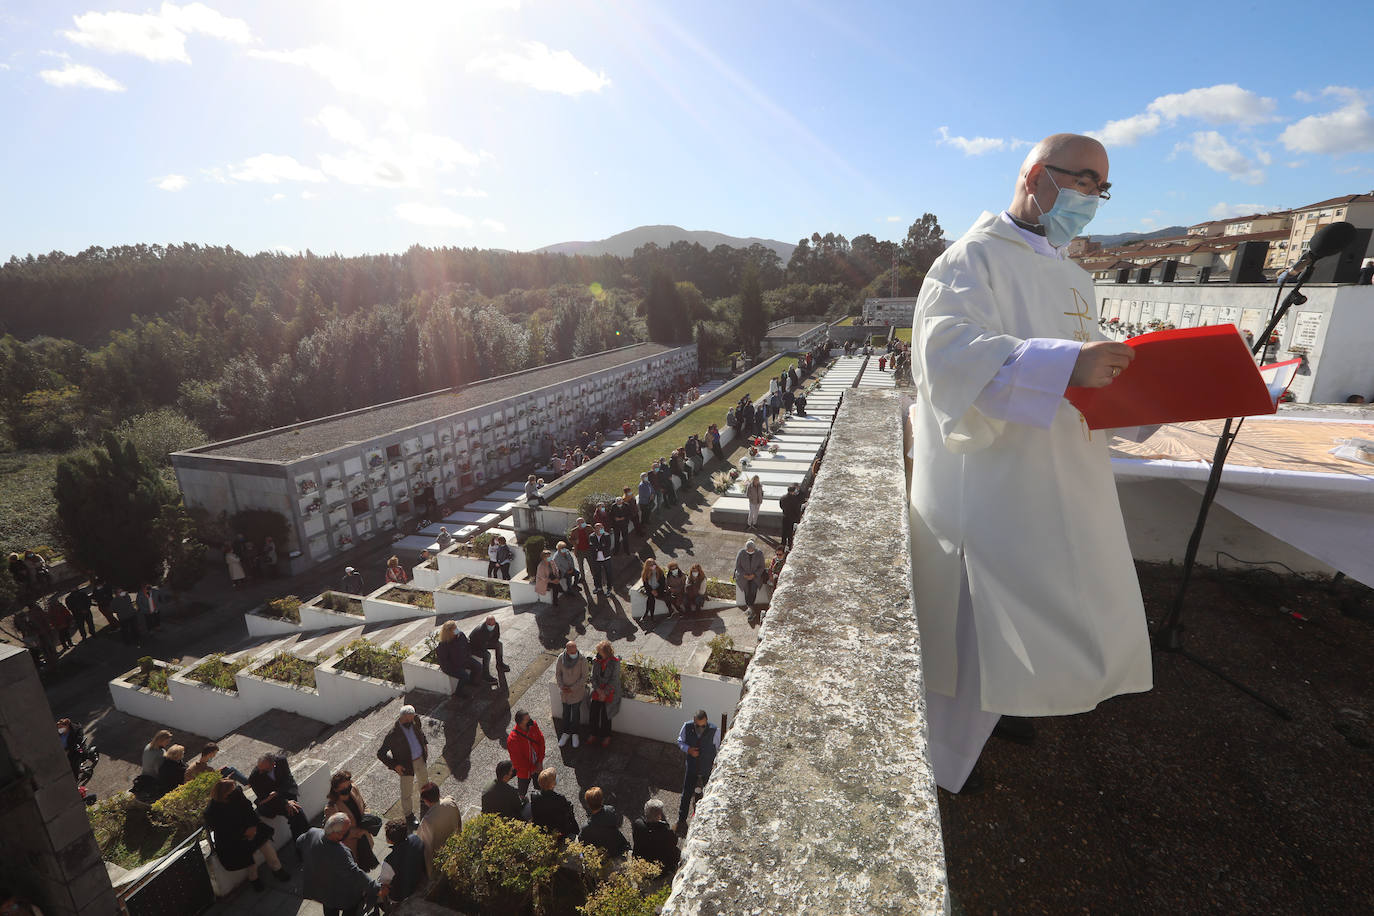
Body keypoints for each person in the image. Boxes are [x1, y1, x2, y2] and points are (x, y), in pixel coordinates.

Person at [908, 132, 1151, 796]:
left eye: (1101, 188)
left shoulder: (1073, 275)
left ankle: (1013, 706)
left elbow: (1091, 371)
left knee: (1047, 603)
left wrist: (1147, 385)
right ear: (1038, 176)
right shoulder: (971, 260)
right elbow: (948, 354)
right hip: (991, 479)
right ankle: (939, 767)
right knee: (978, 624)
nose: (1092, 199)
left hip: (1065, 472)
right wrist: (1067, 363)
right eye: (1082, 182)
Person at [205, 778, 291, 892]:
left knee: (267, 848)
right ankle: (254, 879)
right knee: (248, 859)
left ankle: (277, 870)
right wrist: (243, 833)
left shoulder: (236, 793)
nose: (234, 791)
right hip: (233, 839)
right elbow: (222, 830)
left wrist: (253, 827)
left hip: (250, 827)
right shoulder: (211, 811)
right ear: (224, 793)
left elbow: (248, 809)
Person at [297, 813, 381, 916]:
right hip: (341, 895)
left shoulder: (313, 832)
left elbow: (299, 842)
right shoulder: (340, 853)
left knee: (329, 910)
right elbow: (356, 874)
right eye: (347, 830)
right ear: (337, 834)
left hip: (322, 891)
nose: (349, 831)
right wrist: (376, 887)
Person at [377, 705, 429, 827]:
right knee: (406, 793)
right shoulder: (393, 734)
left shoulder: (414, 721)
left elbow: (421, 733)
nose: (411, 721)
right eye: (408, 719)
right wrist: (395, 765)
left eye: (412, 719)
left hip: (420, 760)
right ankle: (409, 815)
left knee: (425, 783)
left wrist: (425, 745)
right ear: (402, 717)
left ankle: (425, 801)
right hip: (406, 766)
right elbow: (381, 753)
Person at [323, 770, 379, 871]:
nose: (347, 789)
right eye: (343, 788)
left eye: (348, 785)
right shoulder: (332, 808)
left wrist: (367, 818)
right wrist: (358, 832)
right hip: (351, 844)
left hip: (364, 837)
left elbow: (364, 805)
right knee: (356, 868)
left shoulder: (353, 789)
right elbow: (336, 832)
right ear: (335, 789)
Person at [249, 752, 311, 841]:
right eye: (259, 768)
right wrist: (285, 802)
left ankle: (303, 841)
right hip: (272, 802)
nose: (260, 772)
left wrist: (280, 794)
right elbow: (264, 797)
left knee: (295, 814)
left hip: (286, 792)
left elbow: (288, 779)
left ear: (273, 764)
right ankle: (308, 838)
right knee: (296, 812)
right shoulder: (254, 777)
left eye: (264, 770)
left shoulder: (281, 761)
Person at [675, 710, 720, 833]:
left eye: (703, 726)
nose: (700, 729)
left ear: (707, 722)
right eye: (697, 726)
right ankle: (681, 819)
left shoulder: (715, 730)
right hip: (692, 767)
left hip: (707, 768)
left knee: (708, 794)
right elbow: (680, 741)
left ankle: (707, 820)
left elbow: (720, 748)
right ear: (694, 722)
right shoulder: (687, 726)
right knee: (686, 794)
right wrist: (688, 749)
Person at [378, 818, 427, 907]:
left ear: (390, 840)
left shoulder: (389, 862)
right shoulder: (416, 839)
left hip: (400, 894)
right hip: (417, 881)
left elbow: (384, 883)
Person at [417, 782, 461, 877]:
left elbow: (425, 847)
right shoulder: (450, 802)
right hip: (456, 846)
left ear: (426, 801)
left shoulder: (426, 821)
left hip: (440, 857)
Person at [529, 768, 579, 843]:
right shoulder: (560, 799)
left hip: (543, 831)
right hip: (559, 833)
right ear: (552, 784)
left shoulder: (534, 796)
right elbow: (568, 816)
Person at [631, 798, 681, 874]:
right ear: (659, 816)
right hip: (659, 870)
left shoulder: (638, 824)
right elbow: (674, 842)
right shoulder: (665, 830)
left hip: (641, 865)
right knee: (676, 851)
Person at [554, 641, 588, 748]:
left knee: (575, 714)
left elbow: (584, 677)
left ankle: (575, 734)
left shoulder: (582, 659)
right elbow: (558, 673)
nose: (574, 653)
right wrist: (561, 686)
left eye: (575, 651)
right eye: (571, 652)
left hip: (577, 693)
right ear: (567, 651)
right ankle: (566, 732)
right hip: (564, 693)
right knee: (566, 713)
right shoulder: (561, 658)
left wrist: (572, 688)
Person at [588, 640, 621, 748]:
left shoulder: (615, 662)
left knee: (606, 715)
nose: (597, 653)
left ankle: (606, 736)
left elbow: (614, 680)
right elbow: (593, 677)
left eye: (599, 651)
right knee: (593, 714)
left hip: (609, 693)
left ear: (606, 652)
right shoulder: (596, 660)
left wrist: (605, 693)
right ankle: (593, 733)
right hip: (598, 692)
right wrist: (599, 691)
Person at [577, 787, 628, 857]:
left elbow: (581, 841)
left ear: (588, 805)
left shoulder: (586, 827)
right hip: (615, 847)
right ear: (602, 800)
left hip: (600, 853)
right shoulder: (610, 811)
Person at [506, 710, 545, 796]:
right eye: (527, 720)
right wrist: (533, 768)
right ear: (520, 723)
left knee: (540, 789)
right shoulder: (513, 740)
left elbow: (541, 741)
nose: (530, 720)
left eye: (529, 718)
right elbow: (518, 761)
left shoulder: (533, 725)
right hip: (524, 771)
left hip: (537, 765)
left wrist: (540, 761)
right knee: (522, 792)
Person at [435, 620, 484, 689]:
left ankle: (472, 681)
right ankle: (459, 692)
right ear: (449, 632)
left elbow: (467, 645)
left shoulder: (461, 635)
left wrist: (468, 654)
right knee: (464, 676)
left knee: (478, 666)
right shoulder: (443, 645)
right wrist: (455, 667)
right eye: (454, 629)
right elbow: (443, 660)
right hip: (452, 666)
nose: (457, 630)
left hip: (464, 659)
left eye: (456, 627)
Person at [185, 742, 249, 785]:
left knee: (226, 769)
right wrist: (227, 778)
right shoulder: (205, 768)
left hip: (207, 780)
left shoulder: (196, 763)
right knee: (232, 772)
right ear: (210, 754)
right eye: (214, 754)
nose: (214, 756)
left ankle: (249, 783)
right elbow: (213, 780)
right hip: (211, 784)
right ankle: (249, 783)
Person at [470, 615, 509, 680]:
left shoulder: (496, 625)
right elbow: (481, 646)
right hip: (475, 646)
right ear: (486, 623)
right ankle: (486, 675)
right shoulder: (480, 630)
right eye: (490, 624)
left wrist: (491, 642)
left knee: (499, 645)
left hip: (486, 642)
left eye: (493, 623)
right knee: (487, 655)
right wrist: (487, 644)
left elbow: (497, 636)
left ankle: (500, 664)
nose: (492, 625)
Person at [735, 539, 766, 617]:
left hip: (755, 577)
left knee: (753, 591)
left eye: (751, 550)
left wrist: (754, 575)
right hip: (744, 577)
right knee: (747, 592)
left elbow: (762, 567)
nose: (749, 551)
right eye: (748, 550)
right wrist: (744, 575)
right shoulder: (741, 553)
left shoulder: (759, 554)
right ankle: (750, 608)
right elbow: (738, 566)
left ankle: (750, 608)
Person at [588, 522, 614, 597]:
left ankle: (609, 588)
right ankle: (598, 587)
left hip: (606, 558)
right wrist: (601, 547)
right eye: (597, 528)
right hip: (596, 559)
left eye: (600, 528)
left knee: (608, 574)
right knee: (596, 574)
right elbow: (592, 547)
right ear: (594, 529)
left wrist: (597, 548)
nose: (599, 530)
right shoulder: (591, 536)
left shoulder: (606, 535)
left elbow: (607, 546)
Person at [638, 558, 668, 623]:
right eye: (651, 565)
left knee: (650, 598)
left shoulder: (659, 572)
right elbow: (646, 585)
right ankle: (650, 616)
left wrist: (656, 591)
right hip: (651, 591)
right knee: (651, 598)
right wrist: (652, 591)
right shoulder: (645, 574)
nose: (653, 566)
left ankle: (646, 615)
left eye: (654, 564)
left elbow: (662, 584)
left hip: (659, 590)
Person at [779, 484, 804, 551]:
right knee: (790, 533)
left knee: (784, 532)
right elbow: (797, 509)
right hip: (792, 518)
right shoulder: (795, 499)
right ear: (793, 491)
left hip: (785, 516)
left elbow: (781, 506)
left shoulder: (783, 498)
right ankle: (790, 546)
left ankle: (782, 545)